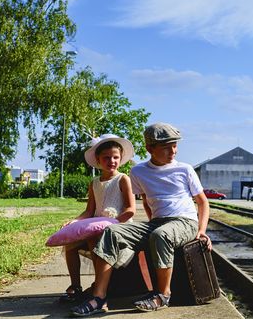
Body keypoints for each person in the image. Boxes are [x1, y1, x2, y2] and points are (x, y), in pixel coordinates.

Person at [70, 122, 212, 316]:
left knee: (161, 235)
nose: (173, 151)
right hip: (157, 222)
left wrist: (201, 230)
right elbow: (146, 200)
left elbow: (203, 203)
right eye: (166, 147)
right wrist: (151, 221)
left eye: (175, 145)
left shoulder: (185, 169)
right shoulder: (138, 172)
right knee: (111, 231)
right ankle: (99, 297)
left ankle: (163, 295)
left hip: (185, 221)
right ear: (150, 149)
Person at [60, 134, 136, 302]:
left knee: (95, 239)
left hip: (118, 225)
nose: (112, 161)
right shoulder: (94, 182)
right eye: (106, 157)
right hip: (95, 224)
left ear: (121, 158)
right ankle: (76, 286)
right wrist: (75, 222)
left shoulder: (123, 179)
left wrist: (112, 223)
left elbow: (131, 210)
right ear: (98, 159)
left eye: (115, 157)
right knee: (70, 243)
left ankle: (100, 285)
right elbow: (89, 211)